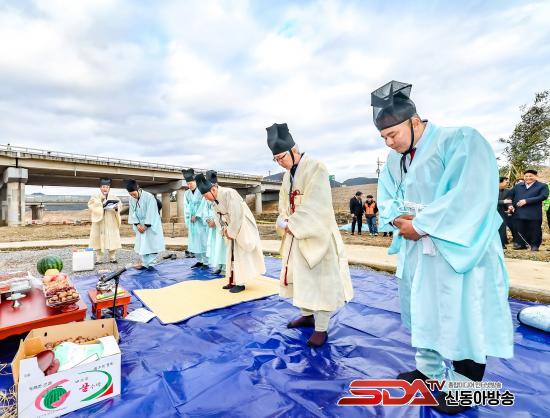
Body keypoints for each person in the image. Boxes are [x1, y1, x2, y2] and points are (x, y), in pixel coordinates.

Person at [373, 81, 513, 415]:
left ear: (415, 122)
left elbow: (471, 194)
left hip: (458, 249)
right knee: (424, 311)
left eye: (392, 134)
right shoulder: (394, 161)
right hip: (418, 251)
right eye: (383, 138)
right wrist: (397, 220)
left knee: (463, 315)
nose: (389, 142)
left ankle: (466, 388)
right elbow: (387, 197)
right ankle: (429, 371)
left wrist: (422, 224)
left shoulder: (460, 140)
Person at [267, 123, 354, 348]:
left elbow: (317, 205)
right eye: (275, 159)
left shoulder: (316, 167)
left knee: (320, 282)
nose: (280, 162)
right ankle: (307, 315)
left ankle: (321, 328)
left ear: (294, 150)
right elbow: (284, 203)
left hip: (318, 234)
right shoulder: (287, 176)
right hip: (297, 234)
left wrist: (292, 224)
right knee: (302, 278)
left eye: (281, 157)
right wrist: (283, 220)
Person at [194, 173, 265, 293]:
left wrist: (230, 231)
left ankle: (241, 283)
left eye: (206, 196)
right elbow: (218, 217)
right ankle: (232, 280)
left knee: (240, 254)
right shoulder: (214, 201)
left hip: (242, 226)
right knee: (231, 254)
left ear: (213, 189)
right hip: (230, 227)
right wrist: (223, 230)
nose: (205, 198)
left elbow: (237, 215)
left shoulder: (229, 193)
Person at [126, 179, 166, 269]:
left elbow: (152, 212)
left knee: (152, 244)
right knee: (143, 245)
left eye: (134, 194)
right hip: (140, 224)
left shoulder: (149, 197)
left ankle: (151, 264)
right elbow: (132, 213)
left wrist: (146, 226)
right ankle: (145, 263)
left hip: (151, 224)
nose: (133, 196)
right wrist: (137, 224)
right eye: (131, 194)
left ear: (138, 189)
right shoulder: (131, 199)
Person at [507, 170, 549, 251]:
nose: (528, 178)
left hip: (534, 212)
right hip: (519, 212)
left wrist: (526, 201)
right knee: (520, 228)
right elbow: (509, 197)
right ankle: (521, 244)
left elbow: (543, 196)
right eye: (526, 176)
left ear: (536, 176)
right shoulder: (518, 186)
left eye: (530, 176)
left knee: (535, 229)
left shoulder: (542, 186)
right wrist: (510, 206)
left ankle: (534, 245)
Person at [88, 178, 122, 263]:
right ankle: (99, 258)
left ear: (109, 188)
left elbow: (120, 205)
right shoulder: (95, 197)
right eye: (103, 187)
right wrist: (101, 205)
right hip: (99, 221)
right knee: (98, 239)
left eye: (107, 187)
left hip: (111, 221)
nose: (105, 189)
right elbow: (91, 205)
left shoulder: (114, 197)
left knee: (112, 238)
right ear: (100, 188)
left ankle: (112, 257)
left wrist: (116, 207)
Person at [201, 170, 227, 275]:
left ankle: (225, 267)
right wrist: (208, 220)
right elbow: (204, 210)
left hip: (221, 225)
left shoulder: (222, 194)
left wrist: (215, 221)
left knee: (223, 246)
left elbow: (225, 211)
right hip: (212, 226)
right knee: (215, 246)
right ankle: (218, 266)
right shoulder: (207, 195)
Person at [183, 168, 210, 268]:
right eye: (188, 184)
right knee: (194, 242)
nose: (189, 185)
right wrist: (189, 216)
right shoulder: (186, 193)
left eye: (191, 183)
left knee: (203, 241)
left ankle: (206, 262)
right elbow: (185, 206)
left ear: (195, 182)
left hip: (200, 220)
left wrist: (197, 215)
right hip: (192, 221)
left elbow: (204, 204)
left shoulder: (201, 190)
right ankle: (199, 260)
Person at [497, 177, 511, 248]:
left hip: (502, 211)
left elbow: (509, 200)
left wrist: (510, 206)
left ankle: (502, 244)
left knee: (502, 227)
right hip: (492, 212)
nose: (507, 184)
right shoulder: (490, 190)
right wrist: (503, 201)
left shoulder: (508, 191)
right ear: (500, 182)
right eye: (506, 182)